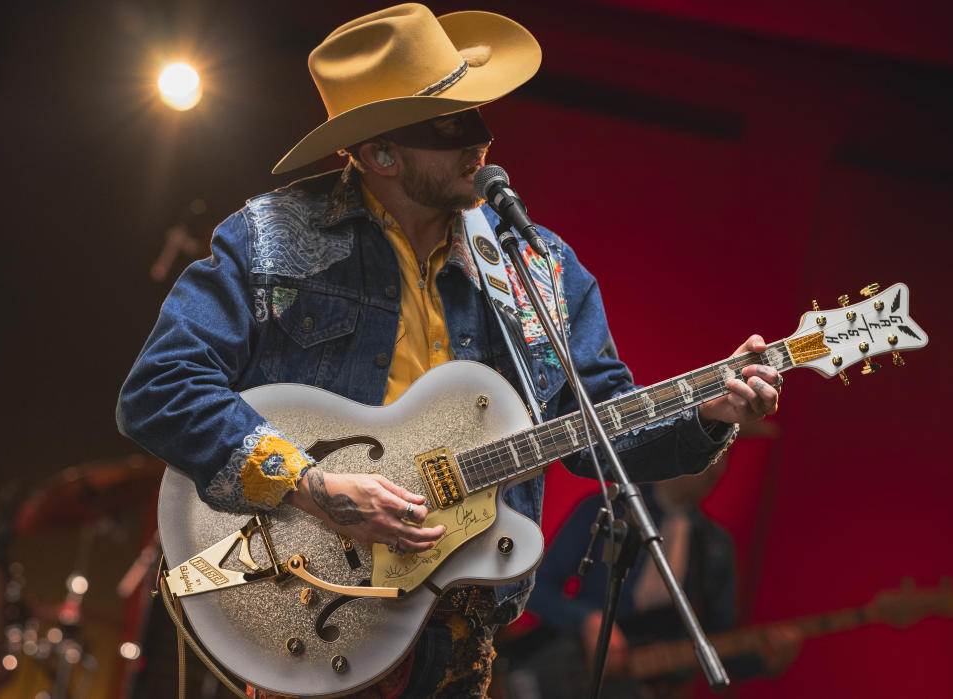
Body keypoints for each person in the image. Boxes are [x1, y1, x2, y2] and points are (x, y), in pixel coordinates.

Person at [116, 4, 782, 697]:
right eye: (450, 125)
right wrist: (313, 488)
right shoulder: (271, 238)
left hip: (459, 633)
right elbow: (161, 388)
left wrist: (708, 415)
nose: (482, 141)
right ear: (381, 154)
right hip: (307, 601)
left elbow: (600, 421)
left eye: (477, 112)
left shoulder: (538, 265)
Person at [511, 456, 800, 699]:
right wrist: (587, 619)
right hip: (568, 671)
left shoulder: (715, 545)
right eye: (715, 450)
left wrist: (761, 659)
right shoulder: (607, 510)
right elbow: (533, 588)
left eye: (726, 455)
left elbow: (715, 639)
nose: (719, 467)